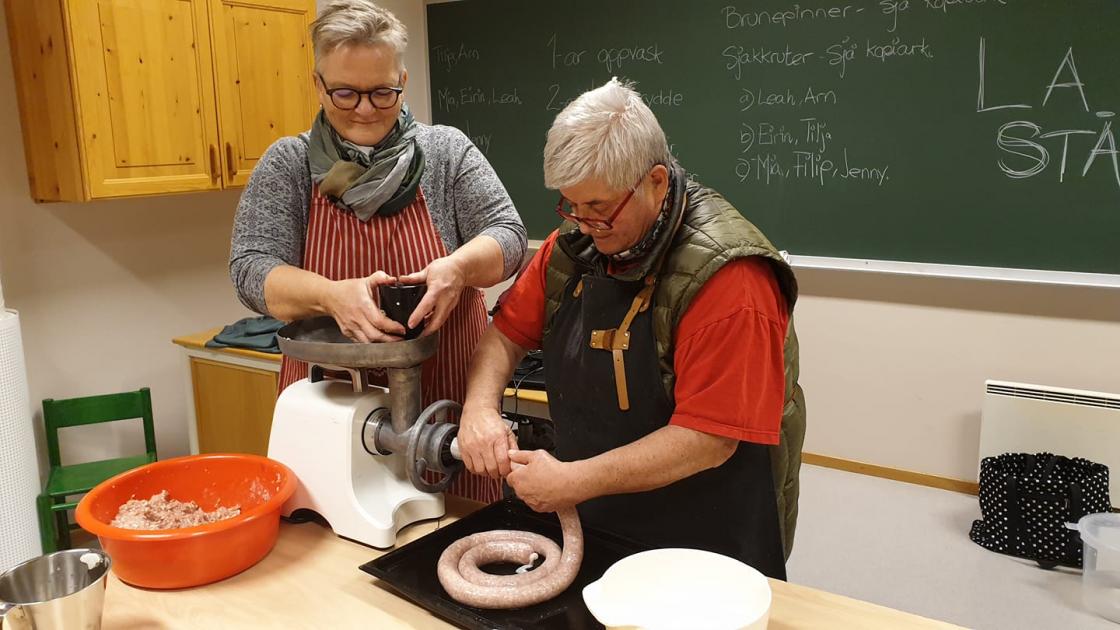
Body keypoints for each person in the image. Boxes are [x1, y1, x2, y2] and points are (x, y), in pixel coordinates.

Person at [458, 79, 806, 577]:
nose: (583, 223)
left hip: (707, 518)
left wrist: (575, 480)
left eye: (599, 207)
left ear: (657, 182)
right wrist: (479, 409)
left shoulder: (732, 280)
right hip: (597, 498)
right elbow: (505, 334)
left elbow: (708, 439)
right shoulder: (573, 243)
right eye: (570, 205)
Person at [229, 0, 526, 503]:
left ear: (403, 81)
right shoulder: (289, 165)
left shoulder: (446, 152)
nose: (365, 109)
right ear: (318, 84)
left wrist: (458, 268)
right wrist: (330, 296)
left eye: (382, 92)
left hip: (445, 393)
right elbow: (251, 272)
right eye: (345, 92)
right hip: (330, 404)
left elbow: (509, 237)